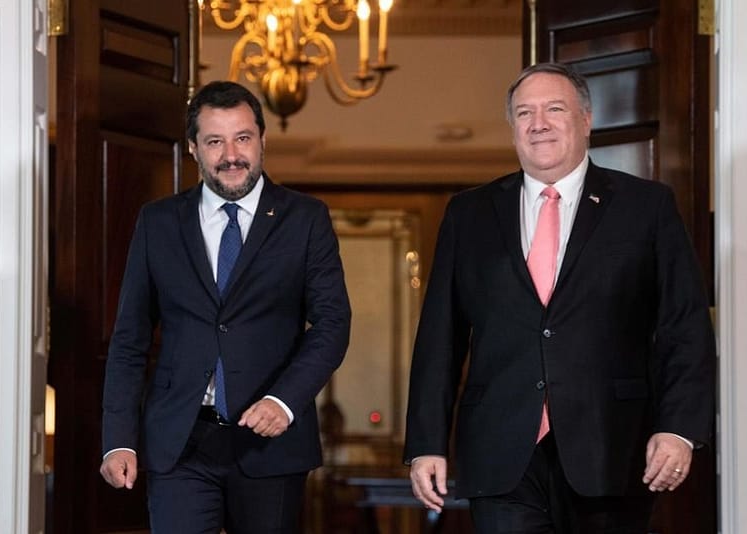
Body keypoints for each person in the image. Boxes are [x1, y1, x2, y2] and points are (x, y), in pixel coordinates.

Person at [404, 62, 715, 533]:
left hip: (612, 448)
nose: (539, 123)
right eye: (524, 112)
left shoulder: (645, 206)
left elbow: (684, 327)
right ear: (513, 128)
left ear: (586, 120)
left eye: (554, 109)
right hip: (501, 453)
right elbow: (439, 339)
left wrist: (679, 429)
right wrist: (426, 442)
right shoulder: (469, 214)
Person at [99, 80, 351, 533]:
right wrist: (118, 439)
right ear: (193, 148)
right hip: (180, 441)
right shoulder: (158, 222)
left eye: (243, 138)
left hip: (269, 441)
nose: (231, 155)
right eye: (215, 141)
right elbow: (129, 338)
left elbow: (333, 323)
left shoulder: (305, 219)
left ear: (262, 140)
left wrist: (284, 401)